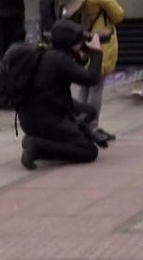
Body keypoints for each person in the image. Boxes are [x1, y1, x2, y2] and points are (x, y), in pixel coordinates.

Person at [19, 22, 106, 170]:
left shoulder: (47, 53)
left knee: (89, 111)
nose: (82, 44)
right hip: (46, 118)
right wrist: (96, 52)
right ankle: (38, 147)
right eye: (79, 41)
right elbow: (91, 78)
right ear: (70, 43)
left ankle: (33, 141)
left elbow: (79, 65)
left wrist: (83, 53)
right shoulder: (60, 60)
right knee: (88, 151)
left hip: (31, 116)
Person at [62, 0, 125, 142]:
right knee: (97, 85)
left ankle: (79, 122)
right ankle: (92, 125)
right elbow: (118, 15)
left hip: (79, 39)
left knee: (84, 82)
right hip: (100, 40)